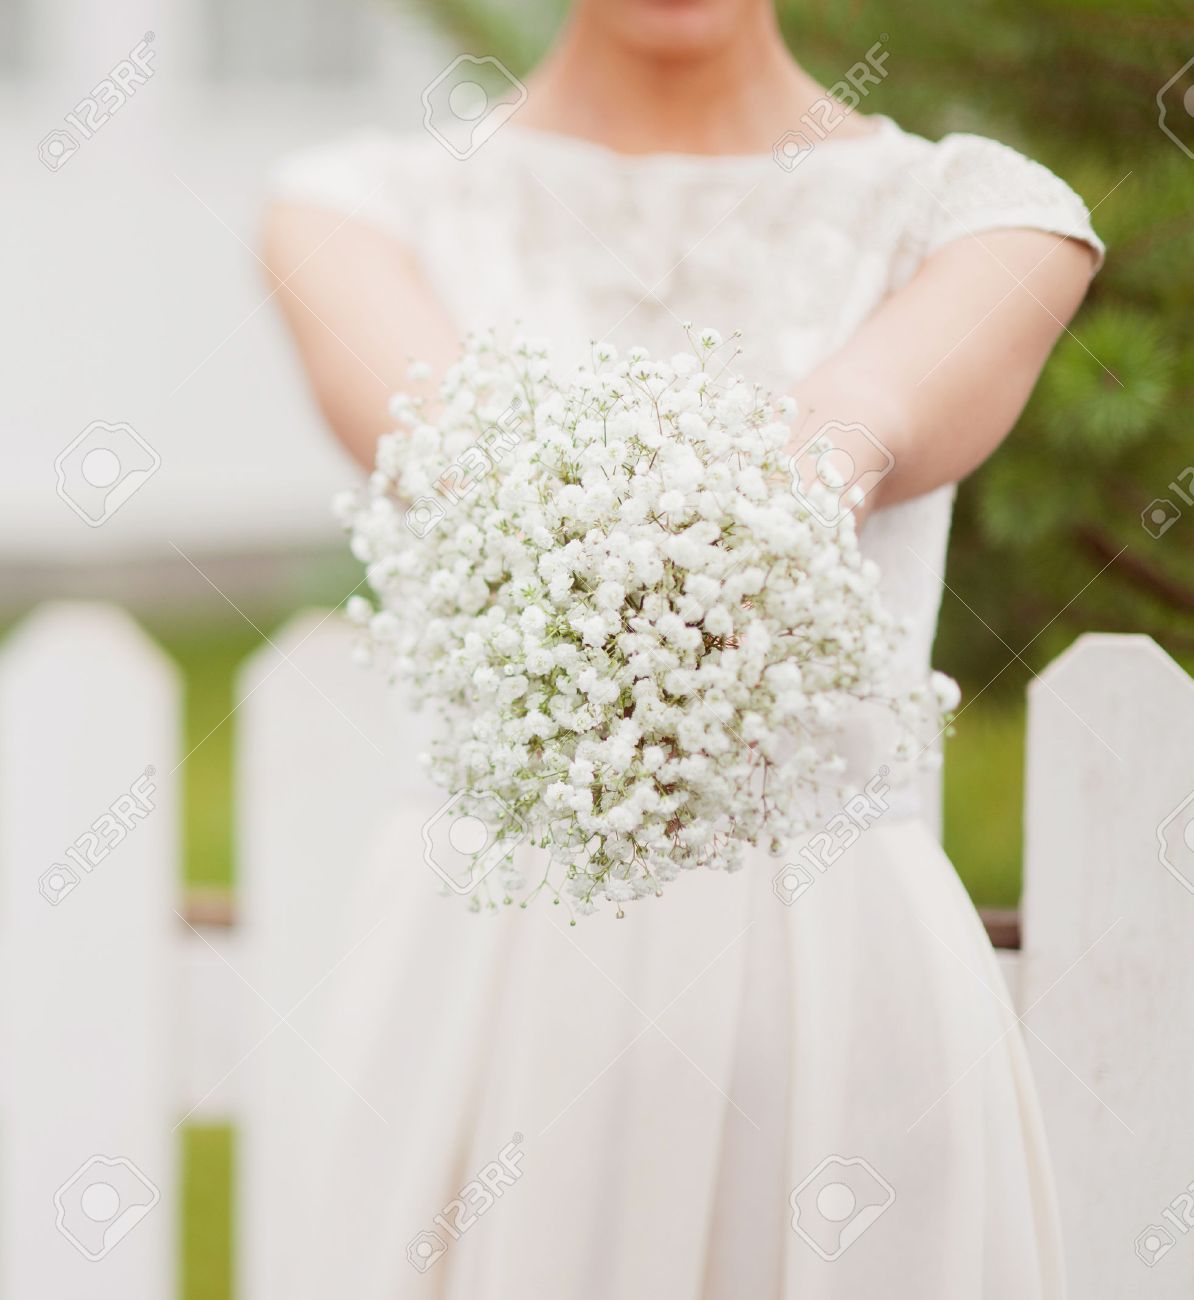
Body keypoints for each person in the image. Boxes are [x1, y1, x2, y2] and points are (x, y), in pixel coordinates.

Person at [262, 1, 1101, 1294]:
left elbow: (862, 419)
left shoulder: (984, 219)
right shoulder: (356, 211)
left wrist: (808, 467)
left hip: (835, 984)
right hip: (491, 984)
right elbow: (454, 447)